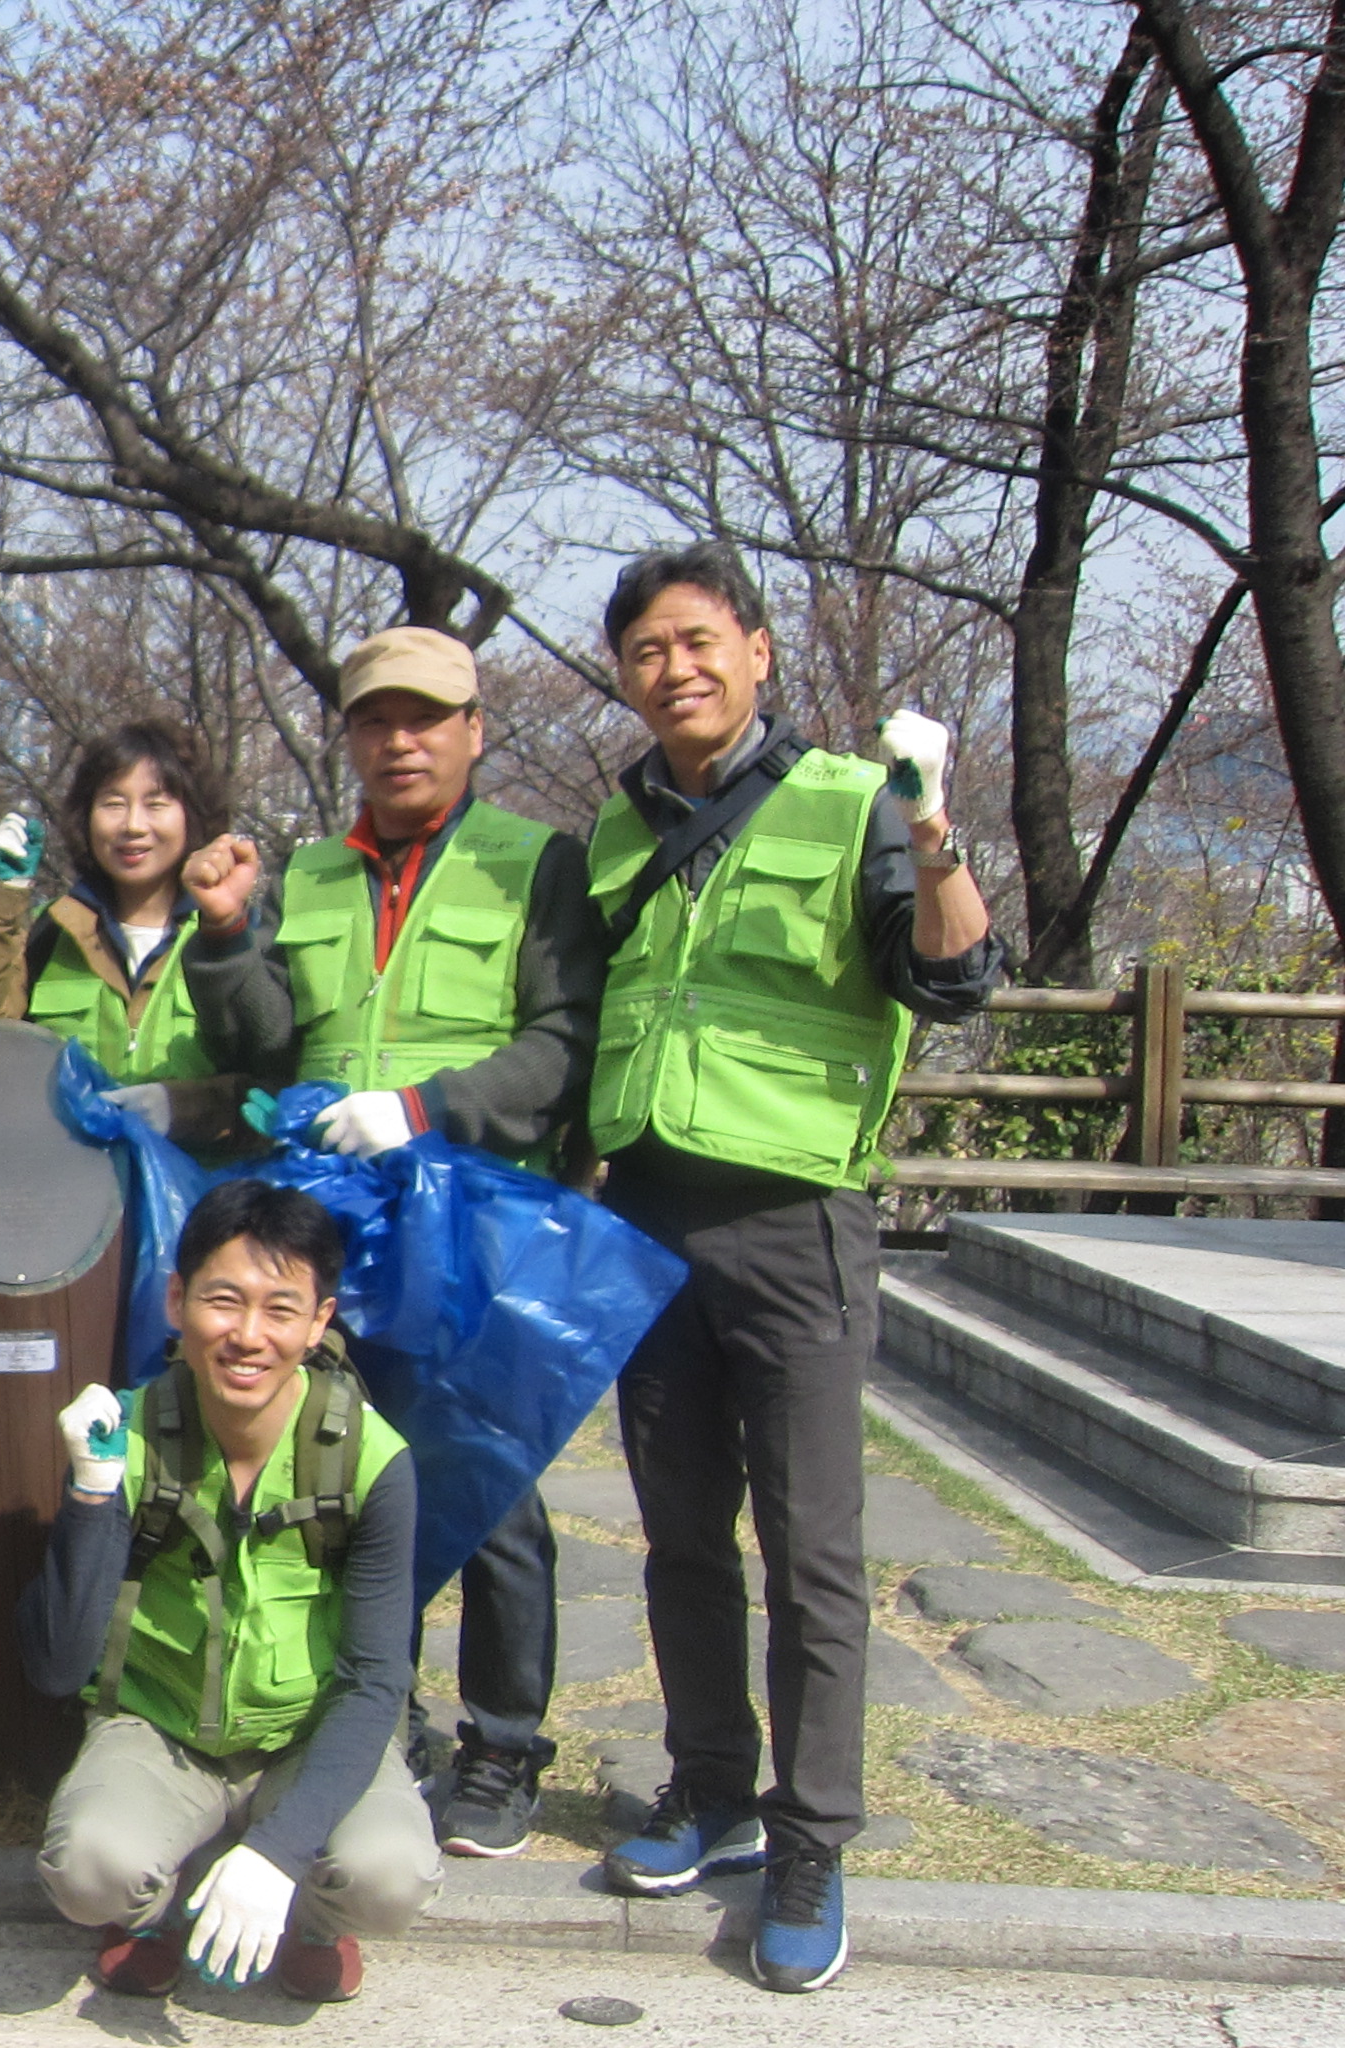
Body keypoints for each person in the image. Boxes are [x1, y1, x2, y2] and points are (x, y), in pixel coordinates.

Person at [583, 542, 999, 1993]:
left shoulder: (852, 804)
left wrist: (933, 831)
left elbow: (952, 979)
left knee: (813, 1551)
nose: (675, 668)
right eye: (646, 650)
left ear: (758, 652)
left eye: (700, 639)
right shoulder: (618, 832)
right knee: (680, 1533)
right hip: (648, 1213)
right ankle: (712, 1791)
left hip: (797, 1221)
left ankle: (812, 1833)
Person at [174, 626, 606, 1862]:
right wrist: (222, 934)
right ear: (350, 736)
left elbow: (560, 1045)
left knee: (492, 1488)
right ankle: (384, 1719)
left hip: (471, 1227)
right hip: (331, 1237)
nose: (400, 739)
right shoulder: (304, 872)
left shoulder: (539, 863)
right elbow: (263, 1044)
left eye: (426, 717)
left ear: (474, 729)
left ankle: (506, 1743)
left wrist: (426, 1109)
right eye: (376, 720)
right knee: (347, 1479)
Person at [19, 1179, 438, 2005]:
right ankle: (151, 1913)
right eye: (223, 1300)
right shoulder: (125, 1433)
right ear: (177, 1301)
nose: (249, 1336)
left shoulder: (371, 1460)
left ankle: (313, 1918)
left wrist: (279, 1855)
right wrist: (92, 1493)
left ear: (321, 1322)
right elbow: (58, 1666)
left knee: (389, 1878)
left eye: (282, 1310)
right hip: (161, 1729)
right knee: (90, 1872)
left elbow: (378, 1680)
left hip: (305, 1735)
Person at [0, 717, 250, 1156]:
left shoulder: (229, 937)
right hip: (72, 1198)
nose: (132, 825)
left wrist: (180, 1107)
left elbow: (271, 1083)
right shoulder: (54, 932)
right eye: (113, 803)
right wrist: (2, 898)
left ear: (192, 815)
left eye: (156, 803)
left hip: (197, 1201)